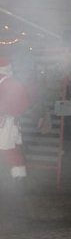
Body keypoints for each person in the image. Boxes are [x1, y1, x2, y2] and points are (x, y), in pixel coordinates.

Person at [0, 57, 30, 185]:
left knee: (7, 149)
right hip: (13, 122)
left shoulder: (6, 83)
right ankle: (18, 180)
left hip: (4, 123)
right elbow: (25, 104)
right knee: (15, 148)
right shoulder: (15, 83)